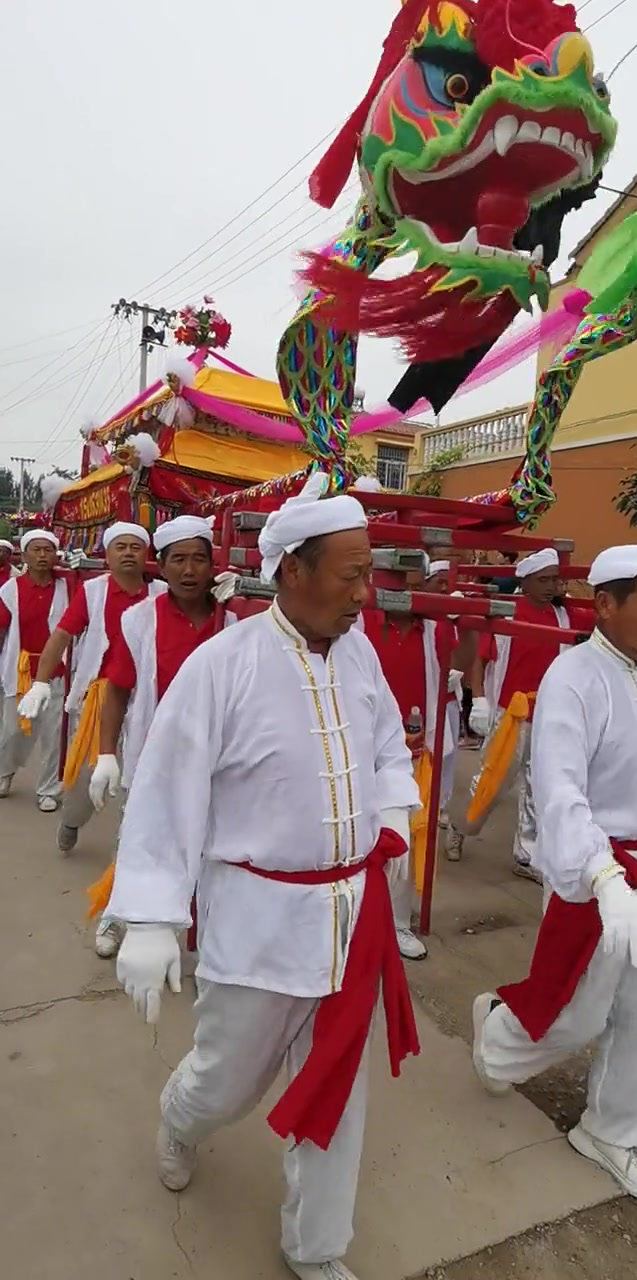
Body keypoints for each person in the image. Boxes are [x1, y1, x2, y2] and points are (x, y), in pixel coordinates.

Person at [102, 474, 420, 1280]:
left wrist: (391, 816)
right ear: (292, 570)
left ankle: (316, 1248)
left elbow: (387, 748)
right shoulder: (225, 666)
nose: (364, 591)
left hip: (352, 916)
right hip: (257, 919)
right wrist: (148, 917)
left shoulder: (361, 654)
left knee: (337, 1090)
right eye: (349, 574)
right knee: (226, 1082)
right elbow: (169, 789)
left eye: (367, 572)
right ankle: (180, 1117)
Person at [472, 544, 637, 1203]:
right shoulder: (575, 677)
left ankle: (610, 1132)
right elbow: (562, 793)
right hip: (602, 874)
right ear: (606, 605)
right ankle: (497, 1036)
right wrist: (603, 878)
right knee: (577, 1013)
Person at [88, 514, 234, 959]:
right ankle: (118, 917)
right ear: (162, 566)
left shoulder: (236, 615)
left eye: (198, 560)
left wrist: (249, 600)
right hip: (157, 752)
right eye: (178, 561)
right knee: (139, 838)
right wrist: (106, 755)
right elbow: (118, 689)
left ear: (214, 565)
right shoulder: (139, 620)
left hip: (221, 756)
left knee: (216, 848)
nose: (189, 571)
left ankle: (212, 936)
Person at [17, 521, 165, 853]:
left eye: (135, 547)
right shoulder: (94, 591)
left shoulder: (162, 594)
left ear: (147, 554)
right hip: (97, 700)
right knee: (85, 779)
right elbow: (62, 635)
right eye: (120, 547)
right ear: (108, 555)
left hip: (146, 700)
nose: (128, 553)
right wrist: (41, 682)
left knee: (142, 777)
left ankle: (129, 852)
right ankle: (72, 820)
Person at [360, 556, 475, 959]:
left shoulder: (434, 629)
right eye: (392, 580)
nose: (399, 590)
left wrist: (467, 620)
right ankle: (355, 925)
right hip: (360, 750)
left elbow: (461, 664)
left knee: (406, 839)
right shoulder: (361, 622)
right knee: (354, 839)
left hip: (413, 751)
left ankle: (397, 924)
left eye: (408, 581)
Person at [468, 548, 590, 881]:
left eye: (556, 579)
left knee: (540, 785)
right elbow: (481, 659)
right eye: (544, 580)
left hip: (549, 712)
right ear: (525, 581)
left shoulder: (566, 616)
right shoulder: (507, 613)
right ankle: (462, 824)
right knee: (493, 779)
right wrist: (479, 699)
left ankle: (527, 853)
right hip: (511, 712)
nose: (552, 586)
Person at [0, 530, 68, 811]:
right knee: (13, 731)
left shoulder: (68, 587)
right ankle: (5, 773)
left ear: (56, 555)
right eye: (36, 550)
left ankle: (49, 789)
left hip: (58, 670)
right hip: (22, 668)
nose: (42, 555)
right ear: (24, 555)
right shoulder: (10, 589)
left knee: (53, 734)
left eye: (48, 550)